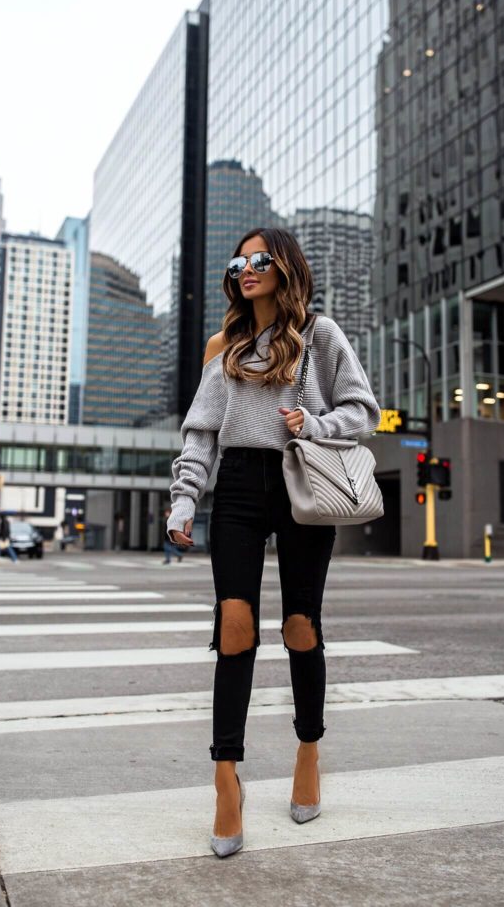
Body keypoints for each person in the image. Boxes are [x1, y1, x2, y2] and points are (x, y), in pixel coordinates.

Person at [166, 227, 380, 857]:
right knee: (234, 625)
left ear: (285, 266)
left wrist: (314, 422)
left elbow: (363, 410)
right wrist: (184, 497)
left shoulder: (320, 334)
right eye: (239, 261)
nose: (246, 269)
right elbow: (202, 430)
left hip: (300, 481)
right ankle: (225, 781)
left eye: (260, 259)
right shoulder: (224, 344)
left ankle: (307, 751)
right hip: (236, 485)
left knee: (299, 626)